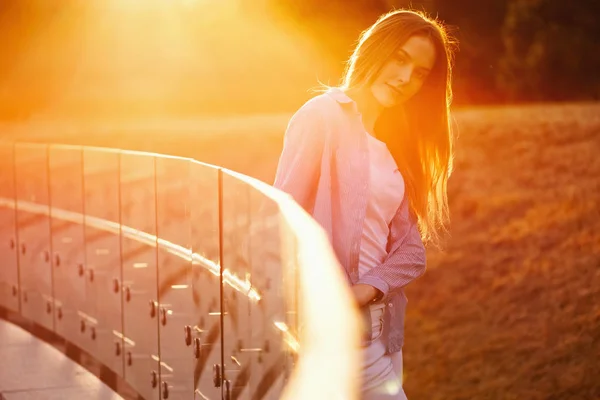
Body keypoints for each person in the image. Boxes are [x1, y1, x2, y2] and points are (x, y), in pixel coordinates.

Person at [273, 9, 456, 400]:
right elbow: (283, 218)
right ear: (377, 48)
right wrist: (336, 297)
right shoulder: (322, 116)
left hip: (382, 331)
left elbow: (411, 251)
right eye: (400, 58)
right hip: (332, 330)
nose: (406, 78)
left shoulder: (395, 148)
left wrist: (367, 290)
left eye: (420, 73)